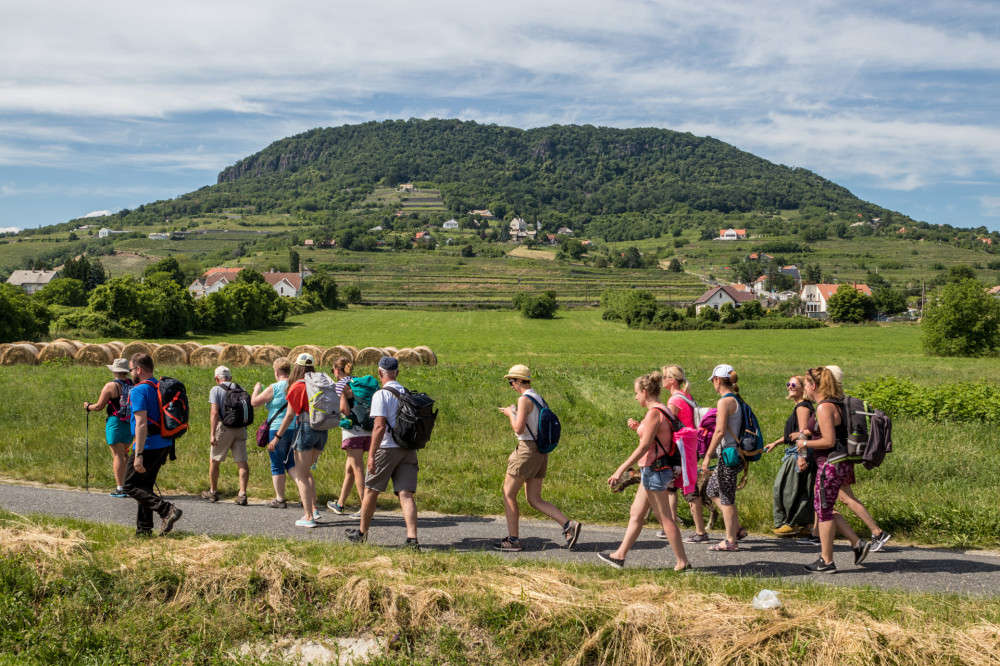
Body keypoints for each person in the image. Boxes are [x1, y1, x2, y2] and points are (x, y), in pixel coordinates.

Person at [599, 372, 690, 571]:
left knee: (665, 518)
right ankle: (619, 556)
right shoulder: (664, 410)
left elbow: (644, 446)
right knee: (636, 514)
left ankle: (683, 563)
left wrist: (620, 469)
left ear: (644, 392)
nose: (635, 397)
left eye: (636, 393)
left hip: (654, 470)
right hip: (652, 470)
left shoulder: (654, 413)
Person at [493, 364, 581, 552]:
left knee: (508, 494)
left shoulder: (524, 399)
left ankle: (513, 540)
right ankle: (568, 526)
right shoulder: (538, 398)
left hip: (526, 451)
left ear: (518, 380)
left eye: (511, 382)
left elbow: (519, 429)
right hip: (541, 452)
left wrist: (510, 414)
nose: (511, 386)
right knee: (534, 499)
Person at [797, 366, 871, 573]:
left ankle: (827, 561)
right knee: (825, 508)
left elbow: (828, 440)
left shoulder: (824, 407)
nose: (804, 387)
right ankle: (857, 544)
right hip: (841, 462)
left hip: (830, 464)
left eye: (805, 383)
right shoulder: (837, 403)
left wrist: (804, 445)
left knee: (824, 512)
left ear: (814, 385)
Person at [346, 356, 420, 547]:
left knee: (371, 491)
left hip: (387, 448)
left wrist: (371, 455)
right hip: (408, 448)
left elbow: (379, 427)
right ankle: (412, 539)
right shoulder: (406, 391)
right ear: (398, 372)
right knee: (406, 494)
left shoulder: (381, 394)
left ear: (379, 373)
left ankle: (362, 534)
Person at [825, 365, 892, 552]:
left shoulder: (832, 403)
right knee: (844, 498)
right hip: (845, 456)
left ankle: (877, 532)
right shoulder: (843, 401)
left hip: (837, 459)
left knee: (845, 498)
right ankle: (817, 533)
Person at [122, 352, 182, 537]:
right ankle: (144, 530)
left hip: (147, 444)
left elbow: (141, 422)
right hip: (164, 443)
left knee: (130, 485)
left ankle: (166, 510)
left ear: (138, 369)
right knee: (145, 486)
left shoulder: (139, 390)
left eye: (131, 369)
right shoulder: (159, 386)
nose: (130, 373)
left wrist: (138, 453)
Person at [271, 353, 326, 528]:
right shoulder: (319, 384)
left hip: (305, 430)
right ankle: (314, 509)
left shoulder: (297, 387)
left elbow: (289, 416)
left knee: (301, 475)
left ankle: (308, 516)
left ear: (297, 367)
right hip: (322, 431)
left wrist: (277, 437)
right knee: (307, 471)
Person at [660, 365, 710, 544]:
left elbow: (666, 426)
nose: (662, 379)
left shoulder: (675, 401)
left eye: (665, 376)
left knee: (689, 488)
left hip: (682, 449)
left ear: (672, 380)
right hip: (689, 447)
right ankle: (669, 526)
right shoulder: (686, 396)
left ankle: (700, 532)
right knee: (673, 485)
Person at [701, 364, 748, 552]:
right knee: (712, 491)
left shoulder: (724, 402)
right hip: (732, 455)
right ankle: (736, 529)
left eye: (713, 380)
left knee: (727, 498)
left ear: (718, 380)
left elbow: (720, 431)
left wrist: (707, 457)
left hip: (729, 456)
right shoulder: (736, 399)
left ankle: (731, 541)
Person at [764, 375, 815, 535]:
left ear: (802, 389)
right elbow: (795, 433)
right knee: (799, 489)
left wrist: (801, 456)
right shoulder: (801, 406)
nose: (790, 386)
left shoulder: (802, 407)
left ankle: (789, 523)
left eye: (794, 384)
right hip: (798, 451)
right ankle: (806, 524)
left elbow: (802, 434)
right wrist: (776, 442)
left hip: (798, 453)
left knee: (785, 488)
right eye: (788, 383)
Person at [327, 357, 372, 517]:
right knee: (350, 469)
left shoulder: (340, 385)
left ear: (337, 370)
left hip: (353, 431)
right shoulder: (358, 382)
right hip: (368, 430)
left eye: (333, 370)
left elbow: (344, 410)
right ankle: (340, 503)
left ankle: (365, 507)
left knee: (358, 468)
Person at [83, 357, 133, 497]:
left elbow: (99, 406)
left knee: (117, 455)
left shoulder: (111, 386)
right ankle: (129, 485)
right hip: (129, 423)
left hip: (115, 422)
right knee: (124, 454)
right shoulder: (133, 384)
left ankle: (120, 488)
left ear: (114, 371)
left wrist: (88, 406)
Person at [251, 357, 296, 508]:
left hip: (277, 429)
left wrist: (256, 390)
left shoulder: (275, 387)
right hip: (294, 427)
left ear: (276, 372)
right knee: (292, 464)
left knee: (277, 464)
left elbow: (254, 402)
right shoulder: (295, 385)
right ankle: (306, 493)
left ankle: (280, 499)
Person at [202, 366, 250, 505]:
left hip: (224, 428)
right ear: (230, 378)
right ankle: (242, 493)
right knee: (242, 461)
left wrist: (212, 434)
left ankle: (213, 492)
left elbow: (214, 413)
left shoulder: (215, 389)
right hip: (241, 428)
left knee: (215, 460)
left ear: (217, 378)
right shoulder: (238, 387)